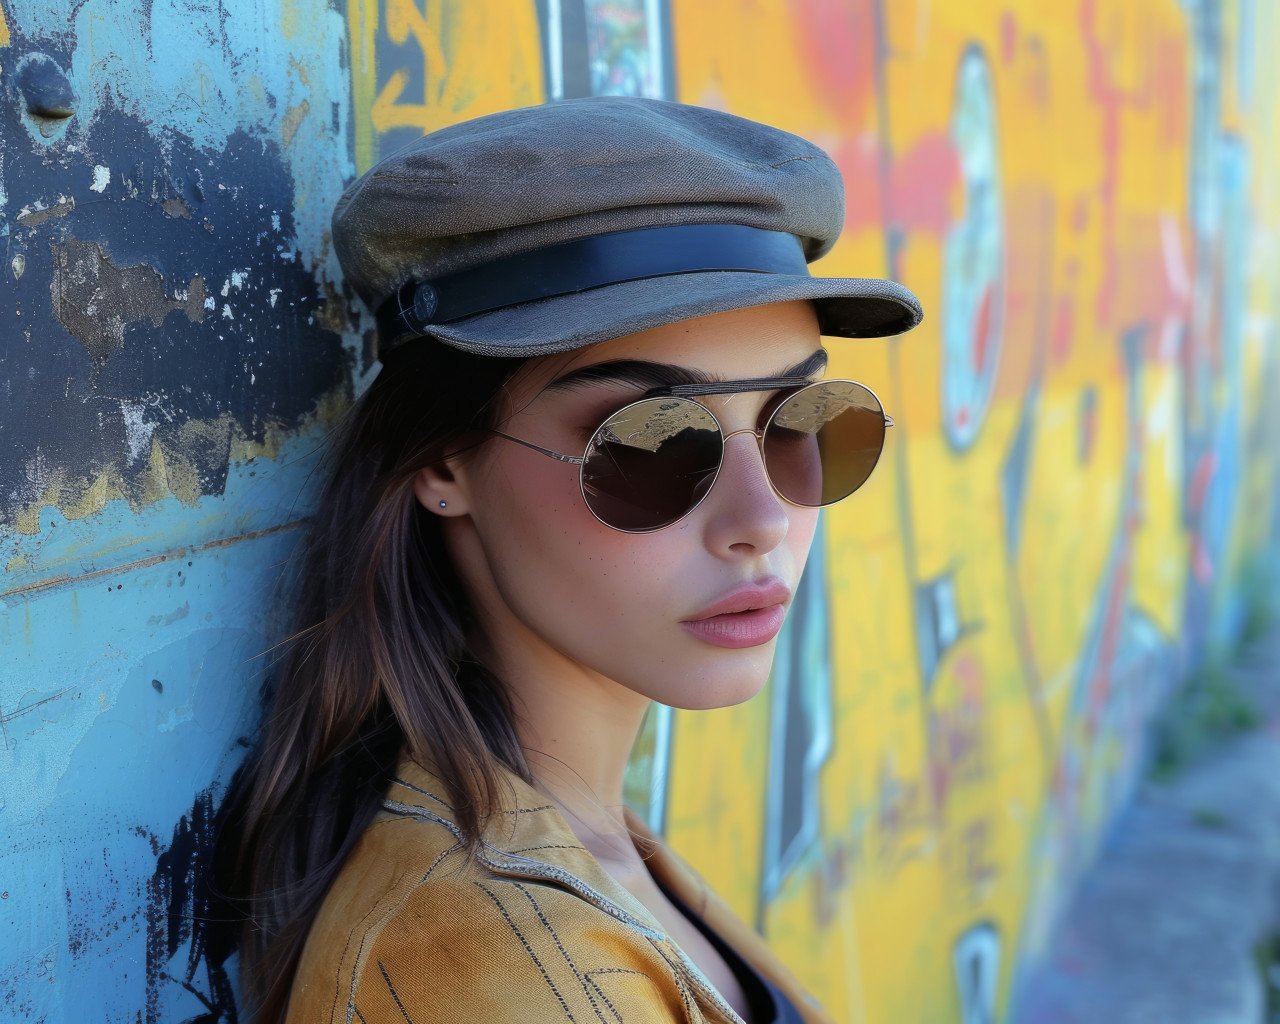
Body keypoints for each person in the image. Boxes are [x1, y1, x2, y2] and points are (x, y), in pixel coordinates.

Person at [223, 96, 922, 1023]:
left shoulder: (574, 841)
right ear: (442, 462)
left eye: (802, 424)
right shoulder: (490, 975)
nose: (764, 520)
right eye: (651, 446)